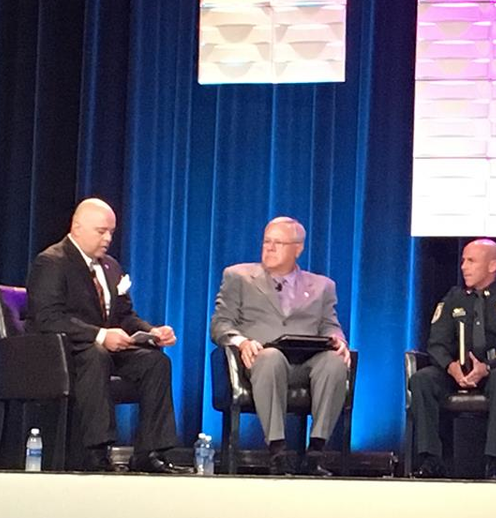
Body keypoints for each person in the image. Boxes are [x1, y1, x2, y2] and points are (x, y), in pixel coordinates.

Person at [25, 197, 184, 473]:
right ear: (77, 228)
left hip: (107, 348)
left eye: (111, 231)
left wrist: (150, 332)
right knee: (95, 355)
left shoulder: (110, 267)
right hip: (64, 351)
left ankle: (150, 452)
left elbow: (124, 315)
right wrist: (99, 335)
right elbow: (48, 318)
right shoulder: (52, 262)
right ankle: (96, 452)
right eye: (101, 231)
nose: (108, 238)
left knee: (156, 362)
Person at [209, 216, 350, 475]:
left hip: (307, 361)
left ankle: (315, 453)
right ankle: (277, 452)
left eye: (278, 243)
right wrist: (242, 342)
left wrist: (338, 340)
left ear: (298, 248)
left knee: (334, 362)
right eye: (266, 241)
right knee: (271, 356)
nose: (269, 248)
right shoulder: (238, 276)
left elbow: (330, 324)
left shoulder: (322, 286)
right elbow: (220, 324)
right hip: (260, 360)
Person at [407, 239, 496, 480]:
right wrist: (451, 367)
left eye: (471, 261)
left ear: (492, 265)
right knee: (422, 380)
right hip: (454, 371)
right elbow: (436, 343)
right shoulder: (453, 298)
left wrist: (487, 367)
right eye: (463, 260)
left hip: (494, 370)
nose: (464, 266)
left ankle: (495, 463)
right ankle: (430, 460)